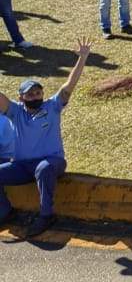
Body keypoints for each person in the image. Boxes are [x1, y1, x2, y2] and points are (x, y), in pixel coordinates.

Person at [0, 39, 91, 237]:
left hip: (52, 162)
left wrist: (82, 58)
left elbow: (69, 86)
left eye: (38, 92)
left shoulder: (52, 106)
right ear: (21, 98)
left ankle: (46, 215)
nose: (35, 96)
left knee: (44, 168)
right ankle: (4, 211)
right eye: (30, 95)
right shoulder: (15, 112)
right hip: (22, 166)